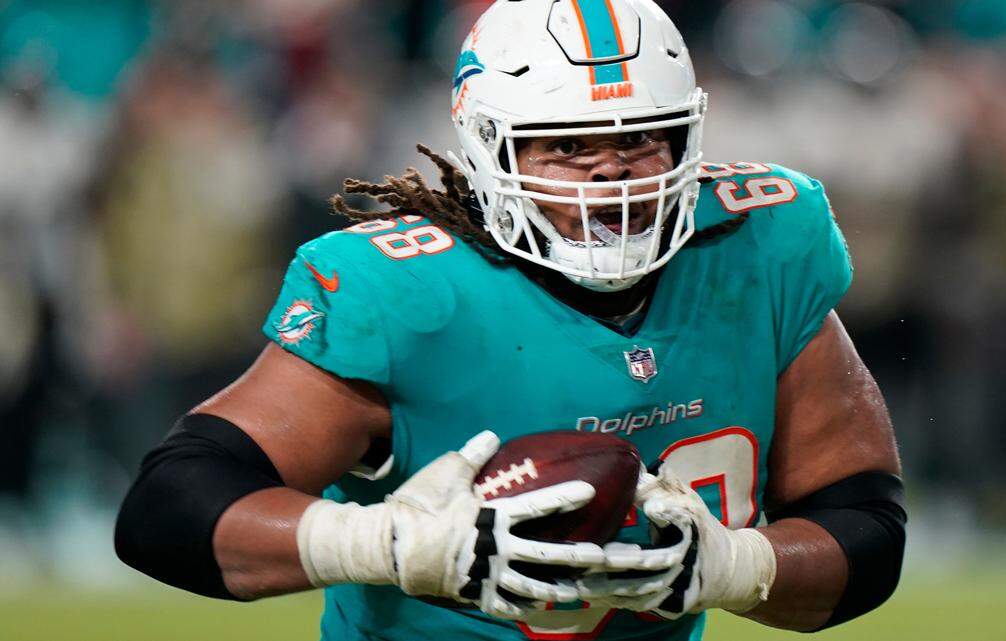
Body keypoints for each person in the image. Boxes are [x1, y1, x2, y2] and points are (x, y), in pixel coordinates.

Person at [115, 1, 906, 639]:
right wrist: (390, 545)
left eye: (641, 138)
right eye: (565, 145)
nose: (611, 168)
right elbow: (168, 509)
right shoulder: (407, 294)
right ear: (492, 153)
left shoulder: (759, 246)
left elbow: (865, 527)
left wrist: (736, 566)